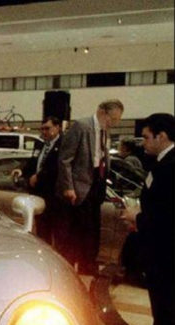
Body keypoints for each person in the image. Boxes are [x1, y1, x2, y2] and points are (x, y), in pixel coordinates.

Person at [121, 113, 174, 325]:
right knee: (161, 311)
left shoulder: (170, 166)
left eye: (146, 137)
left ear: (161, 136)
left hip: (165, 255)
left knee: (166, 311)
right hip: (159, 251)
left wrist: (138, 217)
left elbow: (167, 216)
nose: (143, 143)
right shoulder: (160, 164)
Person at [55, 99, 124, 275]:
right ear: (102, 112)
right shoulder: (81, 126)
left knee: (92, 233)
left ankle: (88, 268)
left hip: (97, 184)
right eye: (112, 119)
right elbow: (65, 159)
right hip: (79, 187)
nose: (113, 124)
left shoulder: (104, 131)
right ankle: (69, 270)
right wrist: (68, 187)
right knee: (74, 234)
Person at [22, 116, 62, 244]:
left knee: (54, 231)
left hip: (53, 194)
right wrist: (23, 172)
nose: (44, 132)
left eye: (47, 128)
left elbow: (57, 167)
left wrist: (40, 176)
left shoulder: (62, 145)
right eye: (42, 129)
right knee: (42, 229)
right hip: (39, 193)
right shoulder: (41, 144)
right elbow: (34, 162)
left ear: (57, 127)